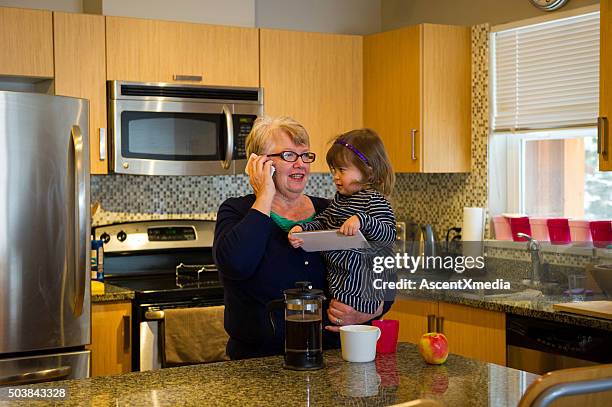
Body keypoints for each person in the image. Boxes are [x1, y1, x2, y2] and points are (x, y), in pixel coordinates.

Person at [213, 117, 384, 360]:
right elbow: (236, 265)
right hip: (257, 364)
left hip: (331, 360)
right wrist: (264, 196)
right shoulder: (236, 212)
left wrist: (367, 311)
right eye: (289, 155)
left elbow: (382, 272)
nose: (301, 164)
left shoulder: (333, 211)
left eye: (305, 155)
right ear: (259, 163)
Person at [288, 128, 396, 316]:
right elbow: (323, 221)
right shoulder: (340, 200)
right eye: (334, 170)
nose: (335, 176)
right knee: (338, 318)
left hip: (362, 287)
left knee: (349, 323)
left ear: (368, 171)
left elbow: (388, 234)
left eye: (342, 170)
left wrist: (362, 220)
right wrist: (302, 230)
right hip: (339, 282)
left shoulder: (374, 200)